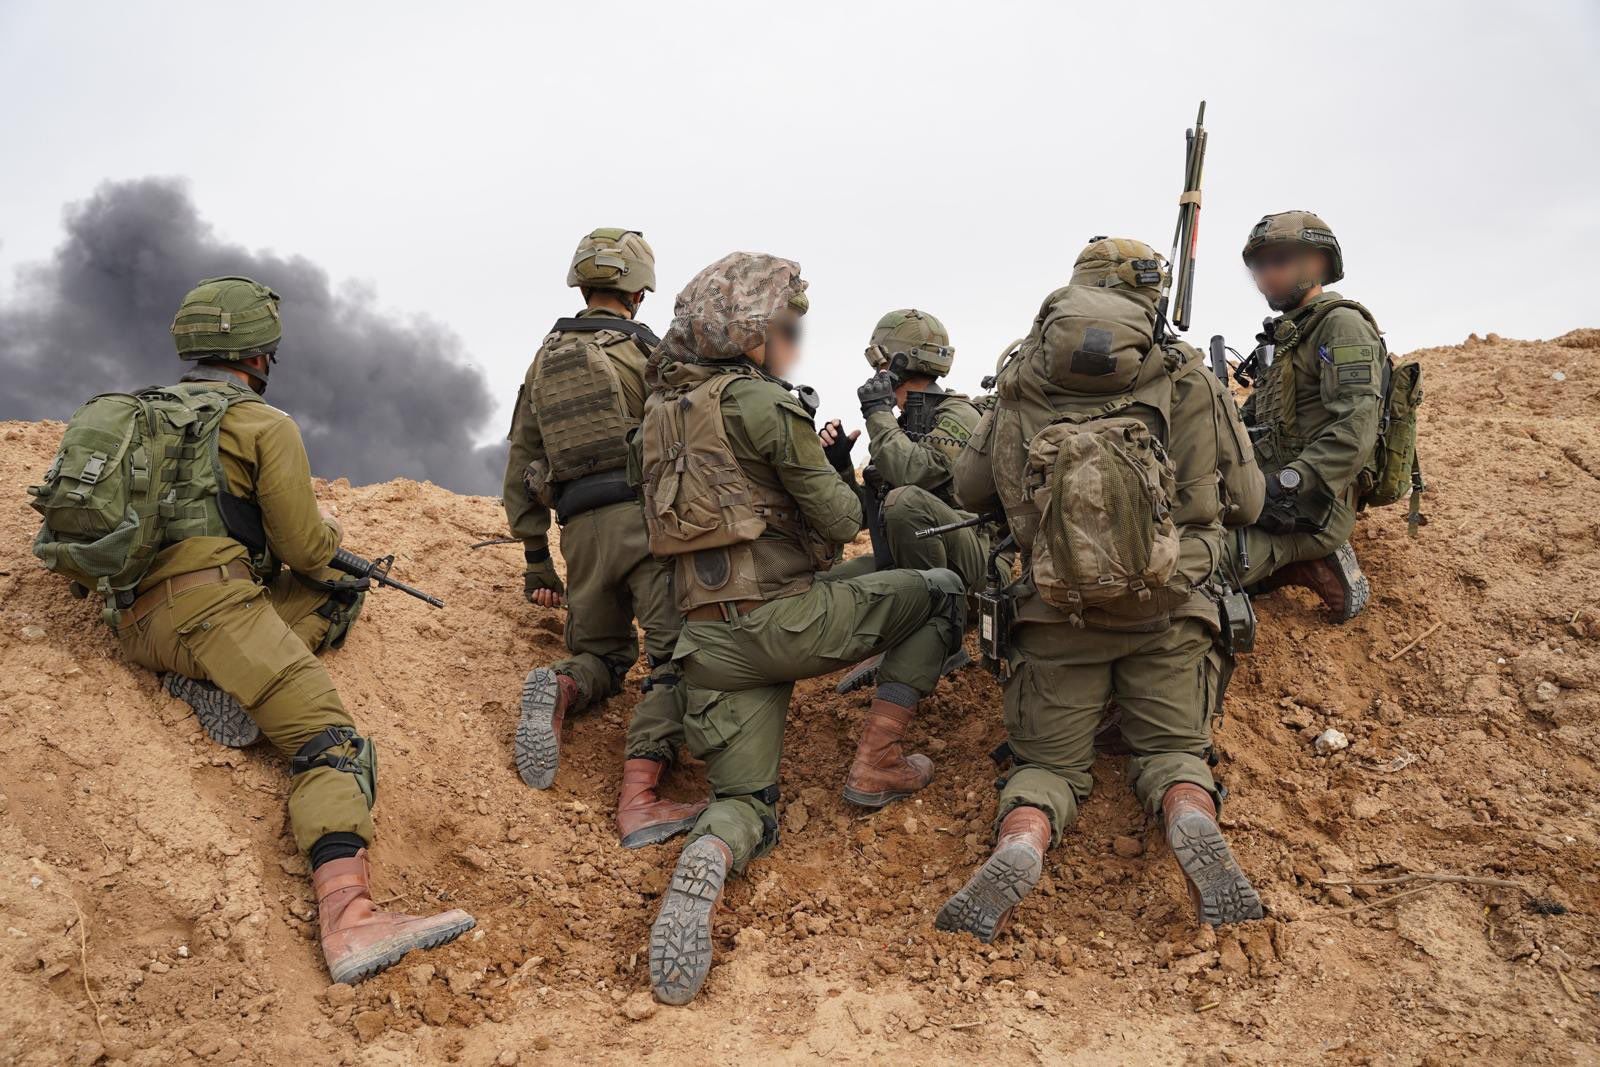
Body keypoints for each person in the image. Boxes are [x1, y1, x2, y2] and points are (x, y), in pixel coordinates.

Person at [31, 277, 473, 983]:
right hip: (215, 616)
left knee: (263, 622)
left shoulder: (141, 415)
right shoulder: (264, 426)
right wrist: (336, 542)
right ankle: (350, 920)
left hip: (134, 627)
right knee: (330, 741)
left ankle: (211, 689)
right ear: (260, 356)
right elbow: (305, 550)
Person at [635, 253, 966, 1004]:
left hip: (706, 643)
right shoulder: (763, 404)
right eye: (787, 327)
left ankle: (713, 849)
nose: (794, 341)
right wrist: (827, 461)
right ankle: (877, 762)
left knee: (747, 801)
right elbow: (843, 520)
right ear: (749, 332)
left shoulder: (659, 415)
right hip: (784, 622)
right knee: (941, 590)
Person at [941, 239, 1267, 941]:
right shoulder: (1187, 377)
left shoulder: (1022, 378)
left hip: (1056, 615)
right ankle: (1188, 811)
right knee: (1175, 754)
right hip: (1170, 611)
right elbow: (1247, 502)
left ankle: (1024, 837)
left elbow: (968, 489)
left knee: (1047, 766)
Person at [502, 228, 704, 848]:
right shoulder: (650, 354)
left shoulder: (543, 360)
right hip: (648, 527)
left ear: (581, 285)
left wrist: (537, 560)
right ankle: (640, 797)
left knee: (605, 656)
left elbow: (521, 460)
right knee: (673, 661)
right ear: (639, 293)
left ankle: (562, 685)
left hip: (579, 532)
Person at [1228, 211, 1385, 621]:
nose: (1265, 275)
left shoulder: (1341, 326)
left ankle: (1309, 557)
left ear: (1317, 262)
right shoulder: (1290, 334)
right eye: (1258, 266)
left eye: (1279, 261)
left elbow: (1354, 430)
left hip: (1308, 510)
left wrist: (1285, 483)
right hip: (1267, 500)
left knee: (1191, 567)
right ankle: (1293, 566)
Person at [820, 310, 986, 692]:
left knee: (906, 500)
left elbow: (912, 478)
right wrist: (841, 466)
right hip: (907, 561)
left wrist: (878, 415)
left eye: (880, 362)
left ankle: (935, 641)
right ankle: (897, 632)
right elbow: (865, 517)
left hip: (973, 567)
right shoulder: (903, 423)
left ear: (897, 362)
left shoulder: (958, 414)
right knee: (827, 588)